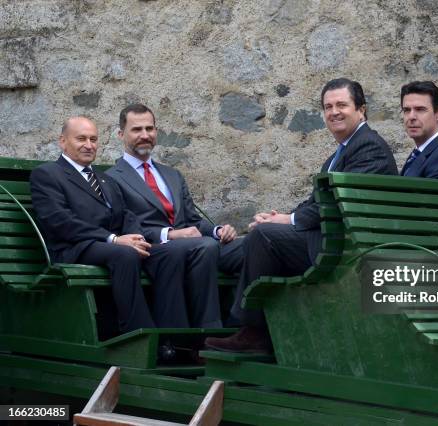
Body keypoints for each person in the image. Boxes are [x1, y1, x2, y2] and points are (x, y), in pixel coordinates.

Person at [205, 78, 398, 354]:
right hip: (327, 237)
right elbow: (317, 201)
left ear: (361, 110)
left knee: (264, 237)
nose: (334, 112)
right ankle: (228, 323)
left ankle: (254, 332)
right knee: (234, 247)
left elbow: (338, 204)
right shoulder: (342, 152)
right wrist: (282, 216)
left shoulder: (368, 147)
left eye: (342, 105)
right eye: (328, 106)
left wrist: (289, 221)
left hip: (344, 249)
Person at [30, 117, 201, 342]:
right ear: (63, 141)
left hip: (112, 245)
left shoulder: (104, 179)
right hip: (75, 248)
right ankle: (139, 336)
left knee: (172, 252)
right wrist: (113, 239)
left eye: (93, 139)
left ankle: (176, 338)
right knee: (125, 253)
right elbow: (60, 221)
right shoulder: (48, 174)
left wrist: (137, 236)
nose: (89, 145)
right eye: (81, 139)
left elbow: (126, 215)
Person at [106, 104, 243, 329]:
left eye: (149, 129)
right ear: (121, 134)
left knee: (252, 245)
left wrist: (218, 231)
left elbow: (192, 220)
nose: (144, 135)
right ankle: (208, 333)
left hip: (196, 245)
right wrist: (171, 234)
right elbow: (125, 228)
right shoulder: (112, 178)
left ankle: (243, 328)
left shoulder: (172, 175)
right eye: (136, 129)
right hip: (154, 250)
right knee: (205, 247)